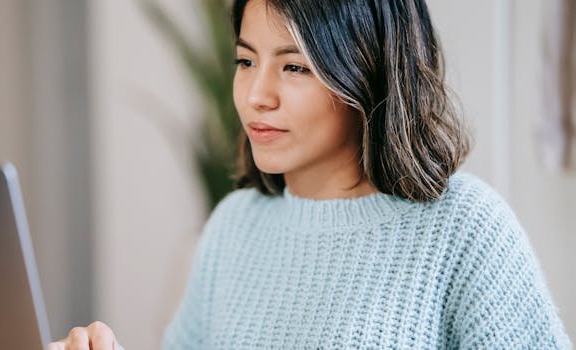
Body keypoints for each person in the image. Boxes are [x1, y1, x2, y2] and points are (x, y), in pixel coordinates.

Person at [49, 0, 573, 349]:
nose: (257, 95)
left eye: (294, 67)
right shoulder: (234, 226)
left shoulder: (464, 227)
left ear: (367, 73)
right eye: (246, 61)